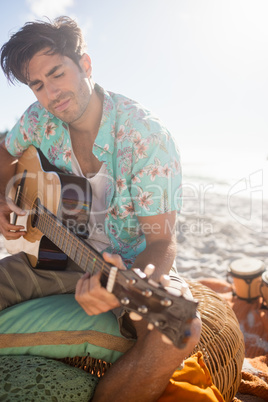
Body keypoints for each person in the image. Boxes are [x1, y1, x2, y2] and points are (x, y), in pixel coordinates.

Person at [0, 16, 201, 401]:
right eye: (37, 85)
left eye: (57, 74)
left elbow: (162, 242)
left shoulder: (146, 137)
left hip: (129, 263)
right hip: (51, 251)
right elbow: (4, 153)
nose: (50, 94)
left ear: (86, 65)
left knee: (179, 334)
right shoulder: (38, 120)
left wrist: (122, 286)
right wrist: (6, 197)